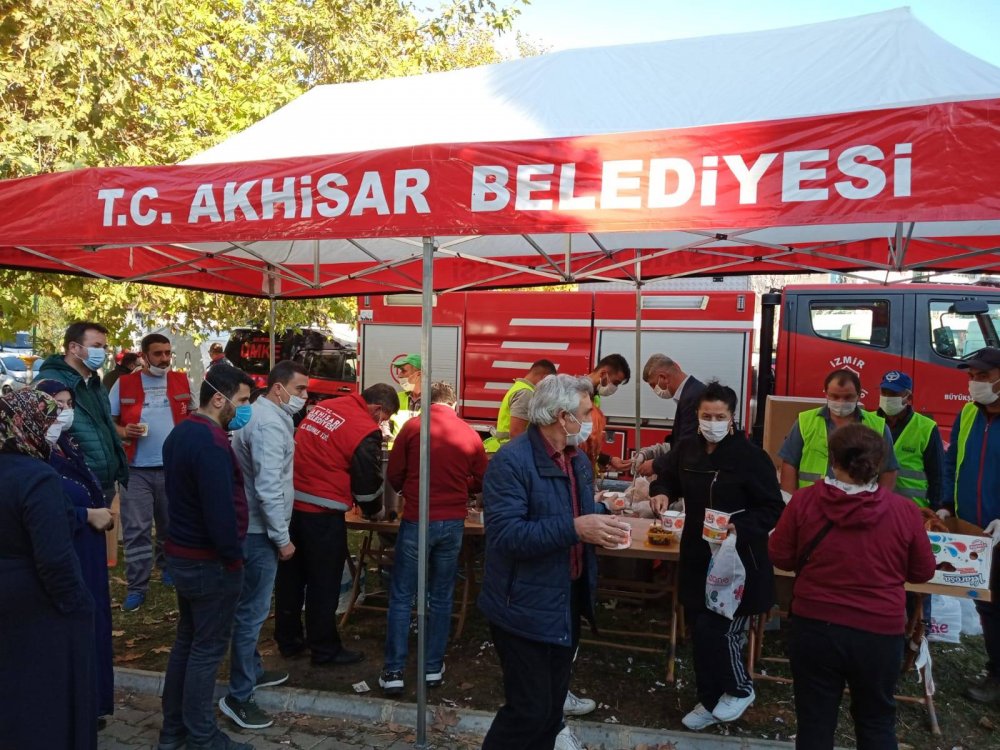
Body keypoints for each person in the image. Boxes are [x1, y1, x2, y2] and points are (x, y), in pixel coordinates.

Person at [479, 374, 630, 749]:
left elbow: (571, 513)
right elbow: (506, 535)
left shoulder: (575, 460)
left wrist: (603, 518)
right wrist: (577, 528)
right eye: (585, 413)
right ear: (562, 417)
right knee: (528, 711)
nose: (591, 420)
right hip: (521, 606)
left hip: (565, 601)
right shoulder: (511, 462)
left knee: (550, 712)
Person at [769, 424, 936, 749]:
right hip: (879, 633)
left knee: (815, 723)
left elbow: (781, 557)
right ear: (878, 464)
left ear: (832, 459)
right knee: (876, 722)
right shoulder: (903, 511)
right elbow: (923, 571)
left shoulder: (804, 502)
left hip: (816, 628)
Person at [648, 382, 784, 730]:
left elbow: (772, 508)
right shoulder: (687, 449)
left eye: (719, 416)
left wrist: (739, 527)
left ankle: (739, 688)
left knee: (718, 628)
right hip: (698, 554)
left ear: (732, 418)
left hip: (738, 559)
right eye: (706, 416)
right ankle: (709, 700)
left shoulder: (750, 457)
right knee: (699, 629)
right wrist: (661, 493)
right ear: (696, 415)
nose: (712, 423)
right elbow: (666, 478)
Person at [158, 364, 255, 750]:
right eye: (242, 400)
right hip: (208, 561)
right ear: (219, 399)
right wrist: (232, 557)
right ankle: (201, 735)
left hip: (185, 554)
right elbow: (219, 512)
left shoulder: (182, 432)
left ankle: (174, 730)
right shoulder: (211, 443)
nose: (245, 409)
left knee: (188, 642)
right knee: (205, 649)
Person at [275, 383, 398, 666]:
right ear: (378, 408)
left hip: (292, 504)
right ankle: (324, 648)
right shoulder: (364, 428)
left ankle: (288, 640)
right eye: (385, 417)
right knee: (324, 582)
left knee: (291, 579)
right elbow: (367, 485)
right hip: (322, 511)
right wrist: (376, 511)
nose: (382, 423)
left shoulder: (327, 406)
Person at [0, 389, 97, 750]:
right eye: (48, 420)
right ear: (29, 424)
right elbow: (54, 558)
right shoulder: (37, 478)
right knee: (44, 697)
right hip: (34, 601)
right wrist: (78, 604)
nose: (54, 428)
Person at [379, 381, 488, 695]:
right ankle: (431, 668)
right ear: (454, 404)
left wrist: (409, 489)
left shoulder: (413, 428)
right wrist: (462, 486)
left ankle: (394, 670)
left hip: (417, 519)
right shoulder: (468, 432)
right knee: (441, 595)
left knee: (402, 595)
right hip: (452, 522)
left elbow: (394, 473)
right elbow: (483, 477)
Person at [219, 361, 308, 730]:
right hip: (258, 531)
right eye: (300, 389)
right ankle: (239, 695)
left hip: (252, 526)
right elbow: (268, 486)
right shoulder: (269, 424)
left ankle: (252, 670)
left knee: (248, 609)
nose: (305, 396)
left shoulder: (260, 415)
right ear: (278, 388)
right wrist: (282, 538)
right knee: (251, 613)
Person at [36, 378, 116, 726]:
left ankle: (91, 702)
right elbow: (41, 509)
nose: (65, 412)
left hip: (89, 550)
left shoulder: (66, 445)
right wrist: (86, 515)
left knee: (92, 623)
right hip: (67, 551)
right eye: (58, 404)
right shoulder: (29, 453)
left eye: (69, 404)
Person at [110, 333, 195, 612]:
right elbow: (109, 422)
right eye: (158, 354)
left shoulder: (181, 381)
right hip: (135, 470)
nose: (164, 359)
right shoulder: (124, 383)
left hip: (174, 467)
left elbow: (195, 416)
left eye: (168, 353)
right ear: (144, 356)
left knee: (171, 524)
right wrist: (124, 430)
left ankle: (168, 567)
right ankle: (137, 586)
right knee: (136, 529)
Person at [940, 346, 1000, 704]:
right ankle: (996, 673)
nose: (975, 383)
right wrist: (946, 504)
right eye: (972, 376)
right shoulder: (968, 413)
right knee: (987, 604)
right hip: (974, 532)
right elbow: (953, 463)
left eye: (984, 376)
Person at [37, 320, 128, 507]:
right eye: (96, 346)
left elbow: (105, 426)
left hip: (104, 483)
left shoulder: (95, 383)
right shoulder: (49, 383)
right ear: (73, 348)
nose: (102, 353)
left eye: (104, 347)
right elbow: (40, 434)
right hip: (73, 483)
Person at [778, 368, 898, 495]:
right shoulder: (805, 421)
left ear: (859, 395)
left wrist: (880, 501)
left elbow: (888, 470)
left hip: (861, 503)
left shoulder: (878, 426)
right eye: (835, 396)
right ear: (826, 394)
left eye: (848, 397)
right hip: (813, 501)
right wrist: (790, 499)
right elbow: (789, 463)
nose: (841, 402)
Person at [611, 354, 705, 475]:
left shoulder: (692, 399)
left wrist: (655, 465)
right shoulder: (691, 393)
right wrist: (647, 454)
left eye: (653, 385)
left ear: (663, 377)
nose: (654, 390)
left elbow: (687, 447)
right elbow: (678, 444)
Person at [876, 370, 944, 509]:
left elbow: (937, 475)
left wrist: (936, 508)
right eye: (884, 392)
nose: (887, 398)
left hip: (914, 510)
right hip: (876, 507)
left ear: (908, 397)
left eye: (893, 394)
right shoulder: (869, 421)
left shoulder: (926, 427)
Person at [483, 359, 557, 453]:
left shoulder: (519, 387)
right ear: (545, 378)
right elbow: (516, 433)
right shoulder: (526, 393)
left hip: (506, 448)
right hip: (511, 450)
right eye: (549, 383)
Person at [581, 353, 631, 473]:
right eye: (616, 383)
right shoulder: (579, 394)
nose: (615, 388)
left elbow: (589, 440)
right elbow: (578, 442)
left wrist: (606, 460)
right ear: (603, 374)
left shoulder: (594, 395)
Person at [389, 353, 422, 435]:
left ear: (418, 374)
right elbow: (386, 423)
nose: (399, 375)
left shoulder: (434, 400)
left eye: (403, 371)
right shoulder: (397, 397)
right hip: (396, 443)